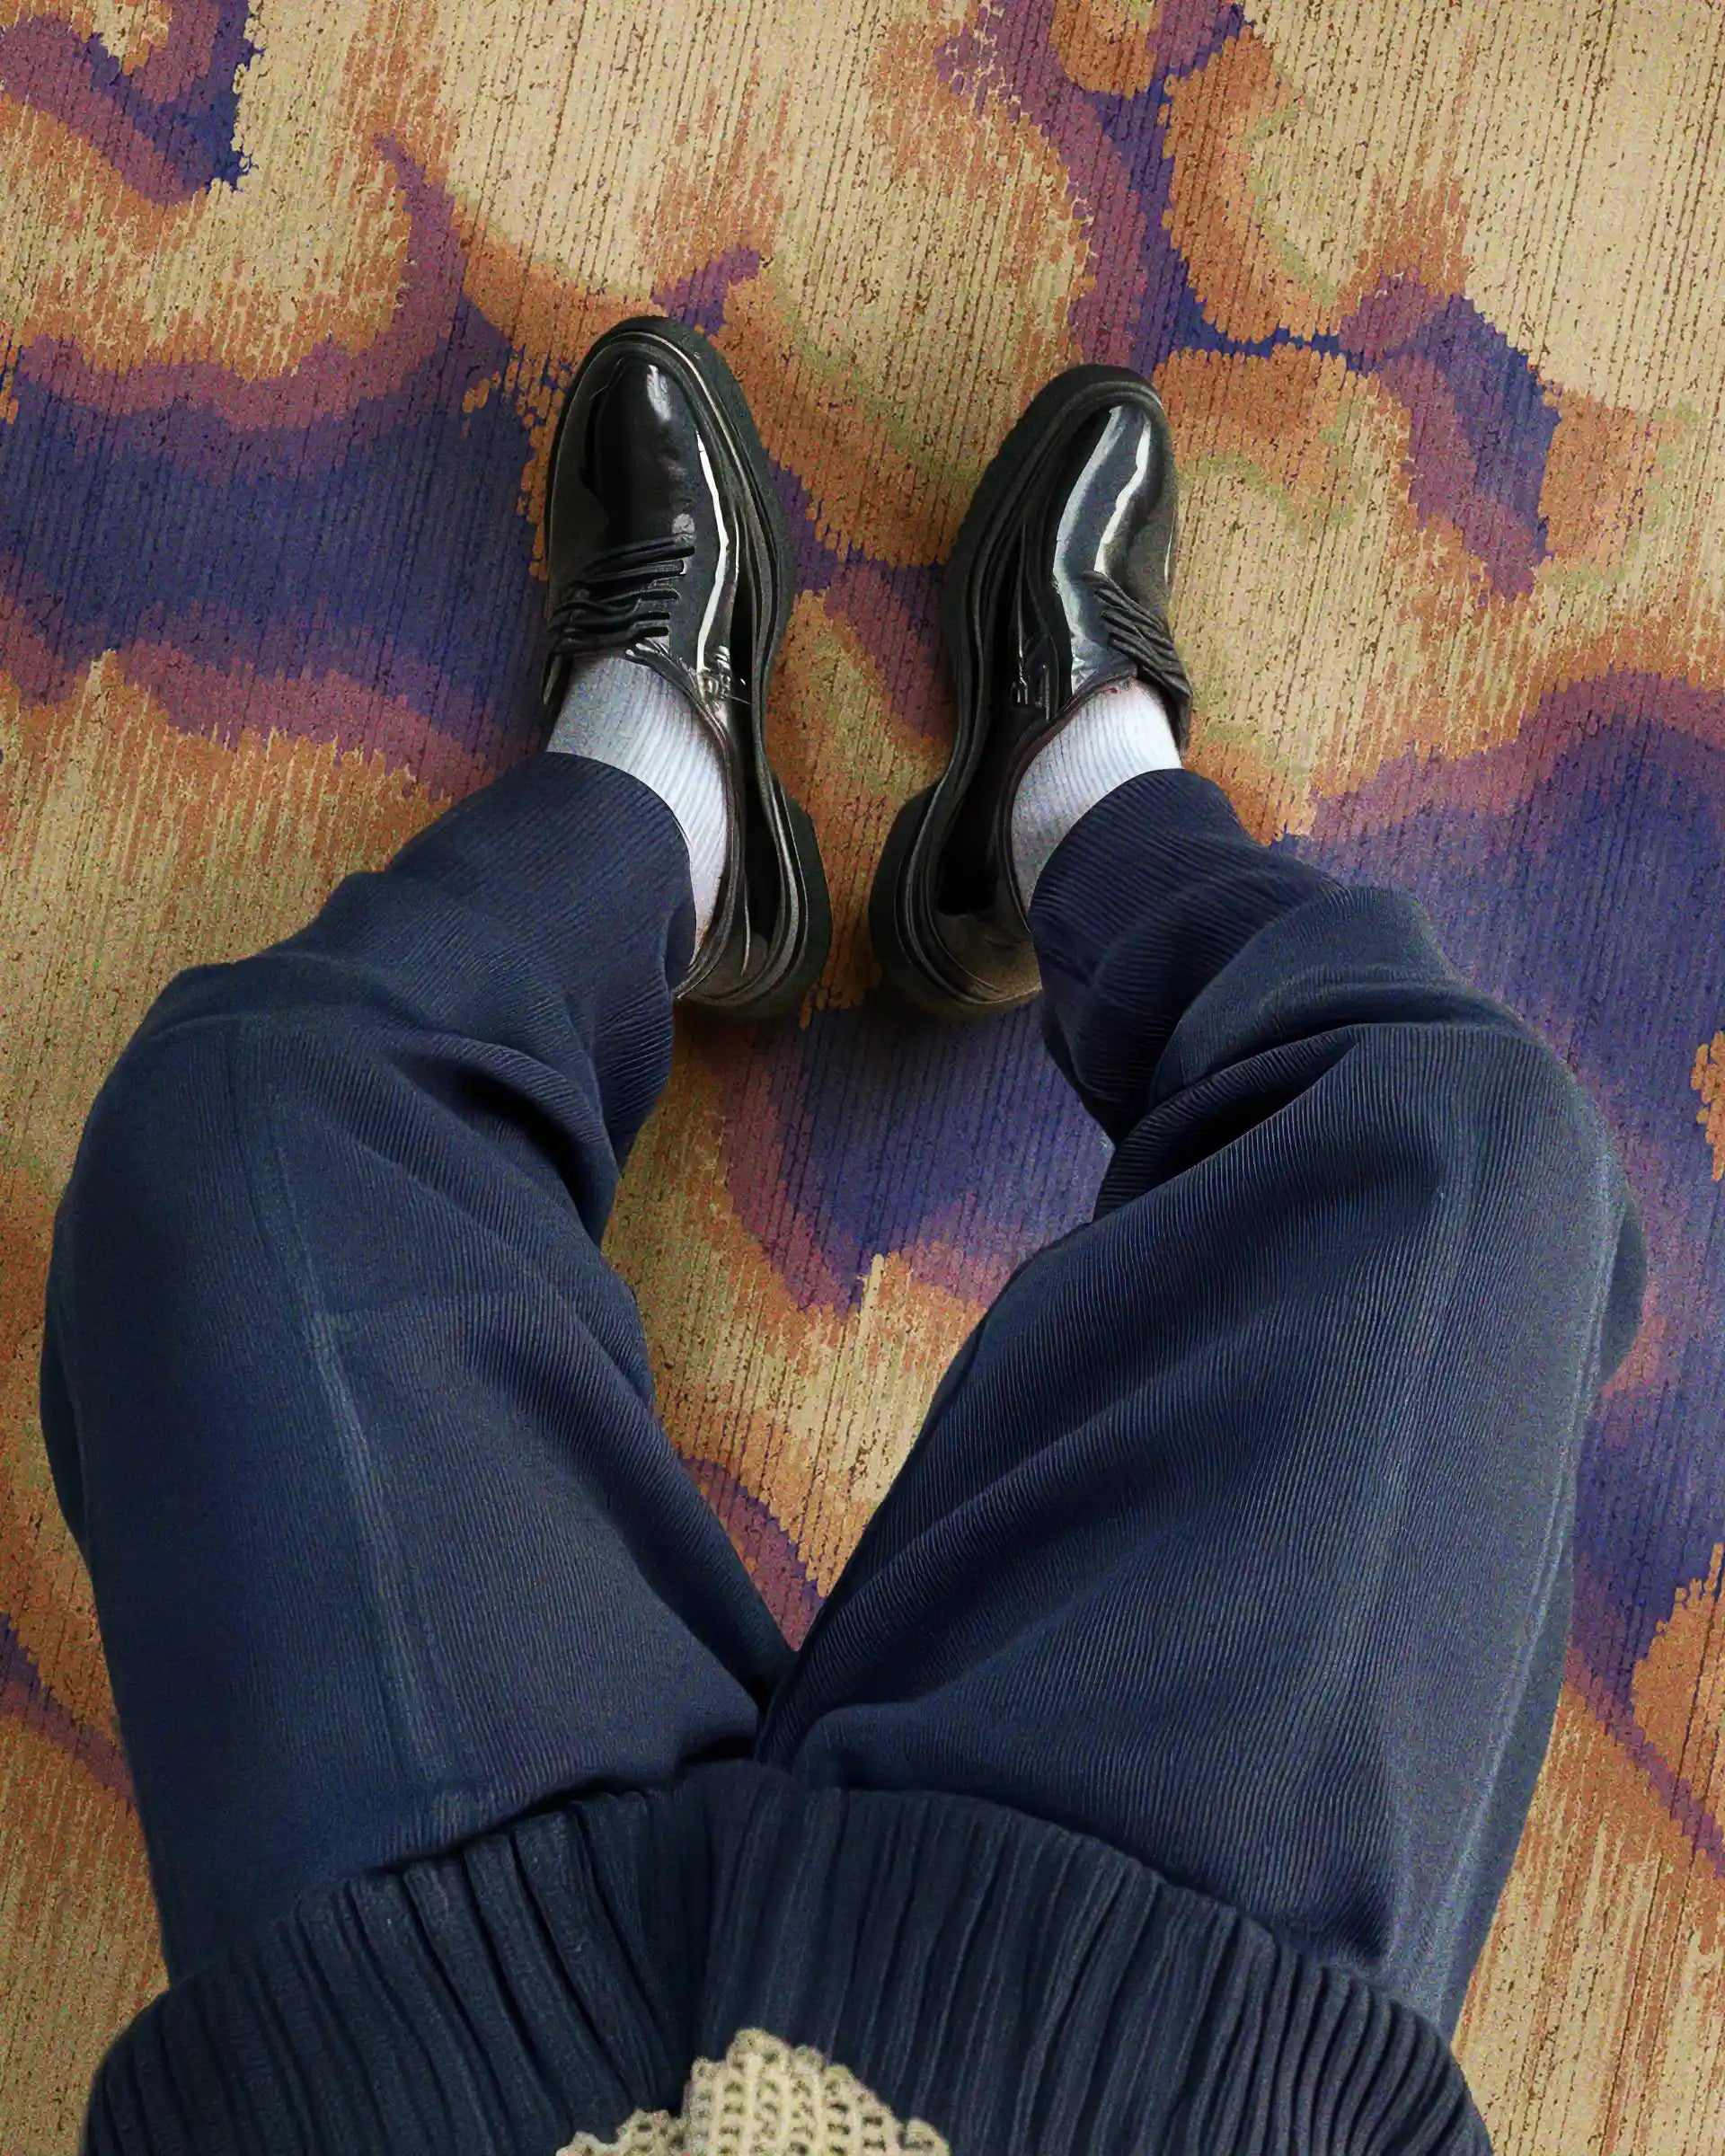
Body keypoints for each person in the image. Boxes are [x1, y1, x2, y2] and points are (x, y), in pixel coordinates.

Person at [40, 317, 1646, 2155]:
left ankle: (658, 798)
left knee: (239, 1138)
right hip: (1116, 2074)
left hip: (451, 2077)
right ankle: (1082, 809)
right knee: (1467, 1162)